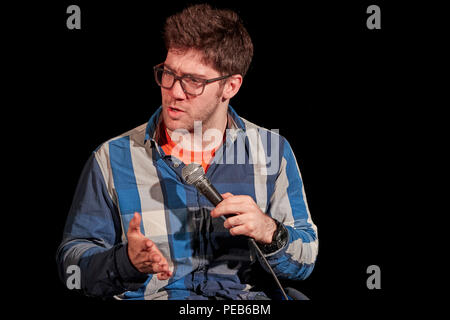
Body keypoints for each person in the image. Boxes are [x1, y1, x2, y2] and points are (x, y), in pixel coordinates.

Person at [56, 4, 318, 300]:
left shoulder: (272, 151)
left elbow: (306, 257)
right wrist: (125, 261)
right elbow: (72, 265)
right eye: (168, 74)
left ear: (230, 86)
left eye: (193, 81)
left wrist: (270, 231)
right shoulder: (114, 157)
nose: (174, 91)